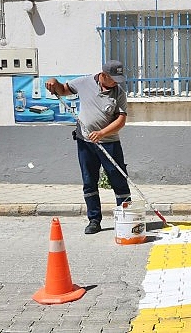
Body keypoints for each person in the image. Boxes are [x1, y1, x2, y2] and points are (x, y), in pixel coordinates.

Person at [45, 60, 131, 234]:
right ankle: (94, 220)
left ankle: (126, 218)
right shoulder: (84, 82)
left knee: (119, 181)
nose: (116, 82)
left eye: (118, 79)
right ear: (103, 75)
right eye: (113, 79)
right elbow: (63, 89)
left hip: (109, 143)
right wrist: (54, 81)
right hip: (85, 142)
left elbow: (121, 120)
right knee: (89, 181)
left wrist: (102, 133)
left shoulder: (119, 93)